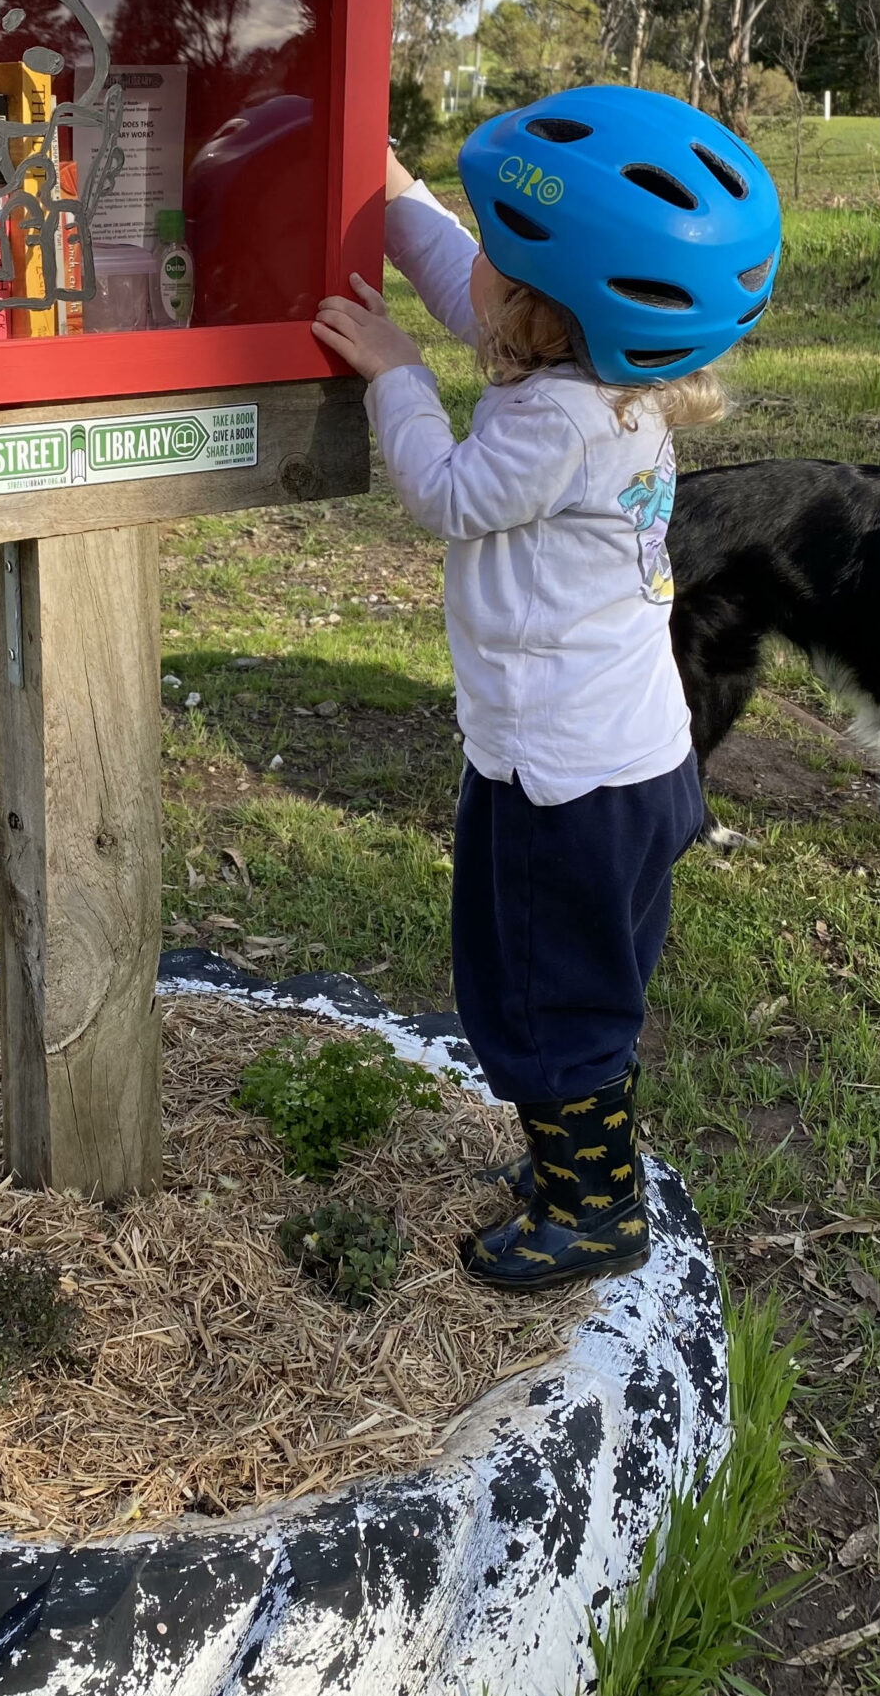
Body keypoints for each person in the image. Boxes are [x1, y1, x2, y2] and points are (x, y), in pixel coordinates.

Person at [314, 85, 783, 1290]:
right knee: (591, 988)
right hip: (636, 764)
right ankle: (582, 1164)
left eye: (504, 271)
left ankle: (594, 1210)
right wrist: (392, 186)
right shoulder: (612, 380)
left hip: (561, 781)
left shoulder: (554, 424)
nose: (480, 280)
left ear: (543, 310)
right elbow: (462, 268)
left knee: (543, 999)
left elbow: (447, 495)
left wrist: (397, 376)